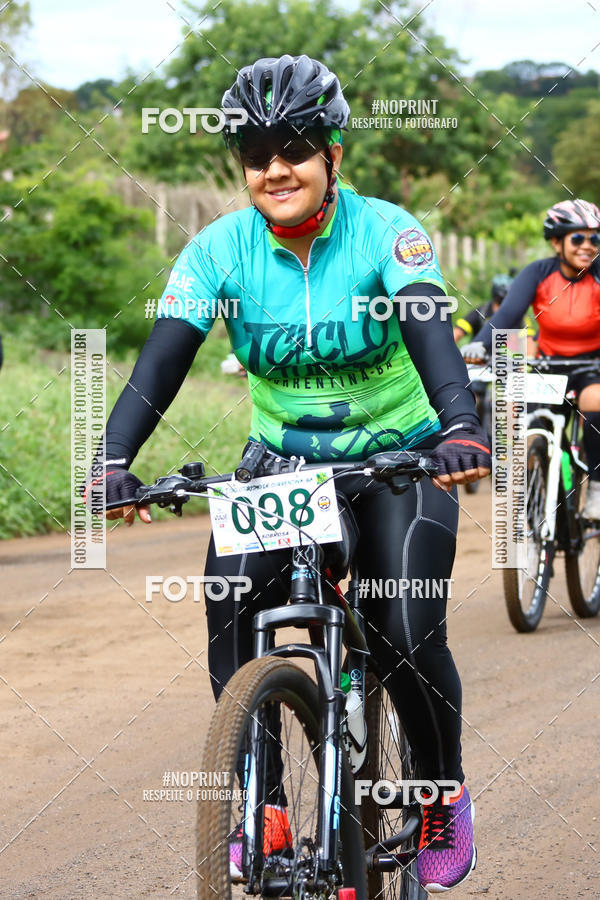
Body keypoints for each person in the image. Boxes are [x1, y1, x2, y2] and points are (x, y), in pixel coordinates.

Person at [94, 55, 490, 892]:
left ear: (332, 153)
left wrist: (460, 425)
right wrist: (113, 459)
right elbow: (159, 363)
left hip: (396, 458)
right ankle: (263, 803)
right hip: (285, 470)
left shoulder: (387, 232)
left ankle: (439, 794)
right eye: (255, 153)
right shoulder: (219, 250)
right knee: (232, 603)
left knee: (404, 629)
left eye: (296, 148)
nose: (275, 168)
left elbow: (428, 329)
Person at [463, 198, 600, 519]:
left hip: (593, 366)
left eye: (595, 239)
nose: (587, 246)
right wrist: (479, 346)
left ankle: (596, 487)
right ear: (556, 242)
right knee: (530, 427)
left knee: (596, 406)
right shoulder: (537, 273)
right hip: (549, 366)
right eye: (577, 238)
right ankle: (537, 486)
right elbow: (508, 315)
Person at [453, 273, 513, 343]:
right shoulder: (482, 311)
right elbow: (458, 332)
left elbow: (524, 341)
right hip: (479, 349)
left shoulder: (515, 316)